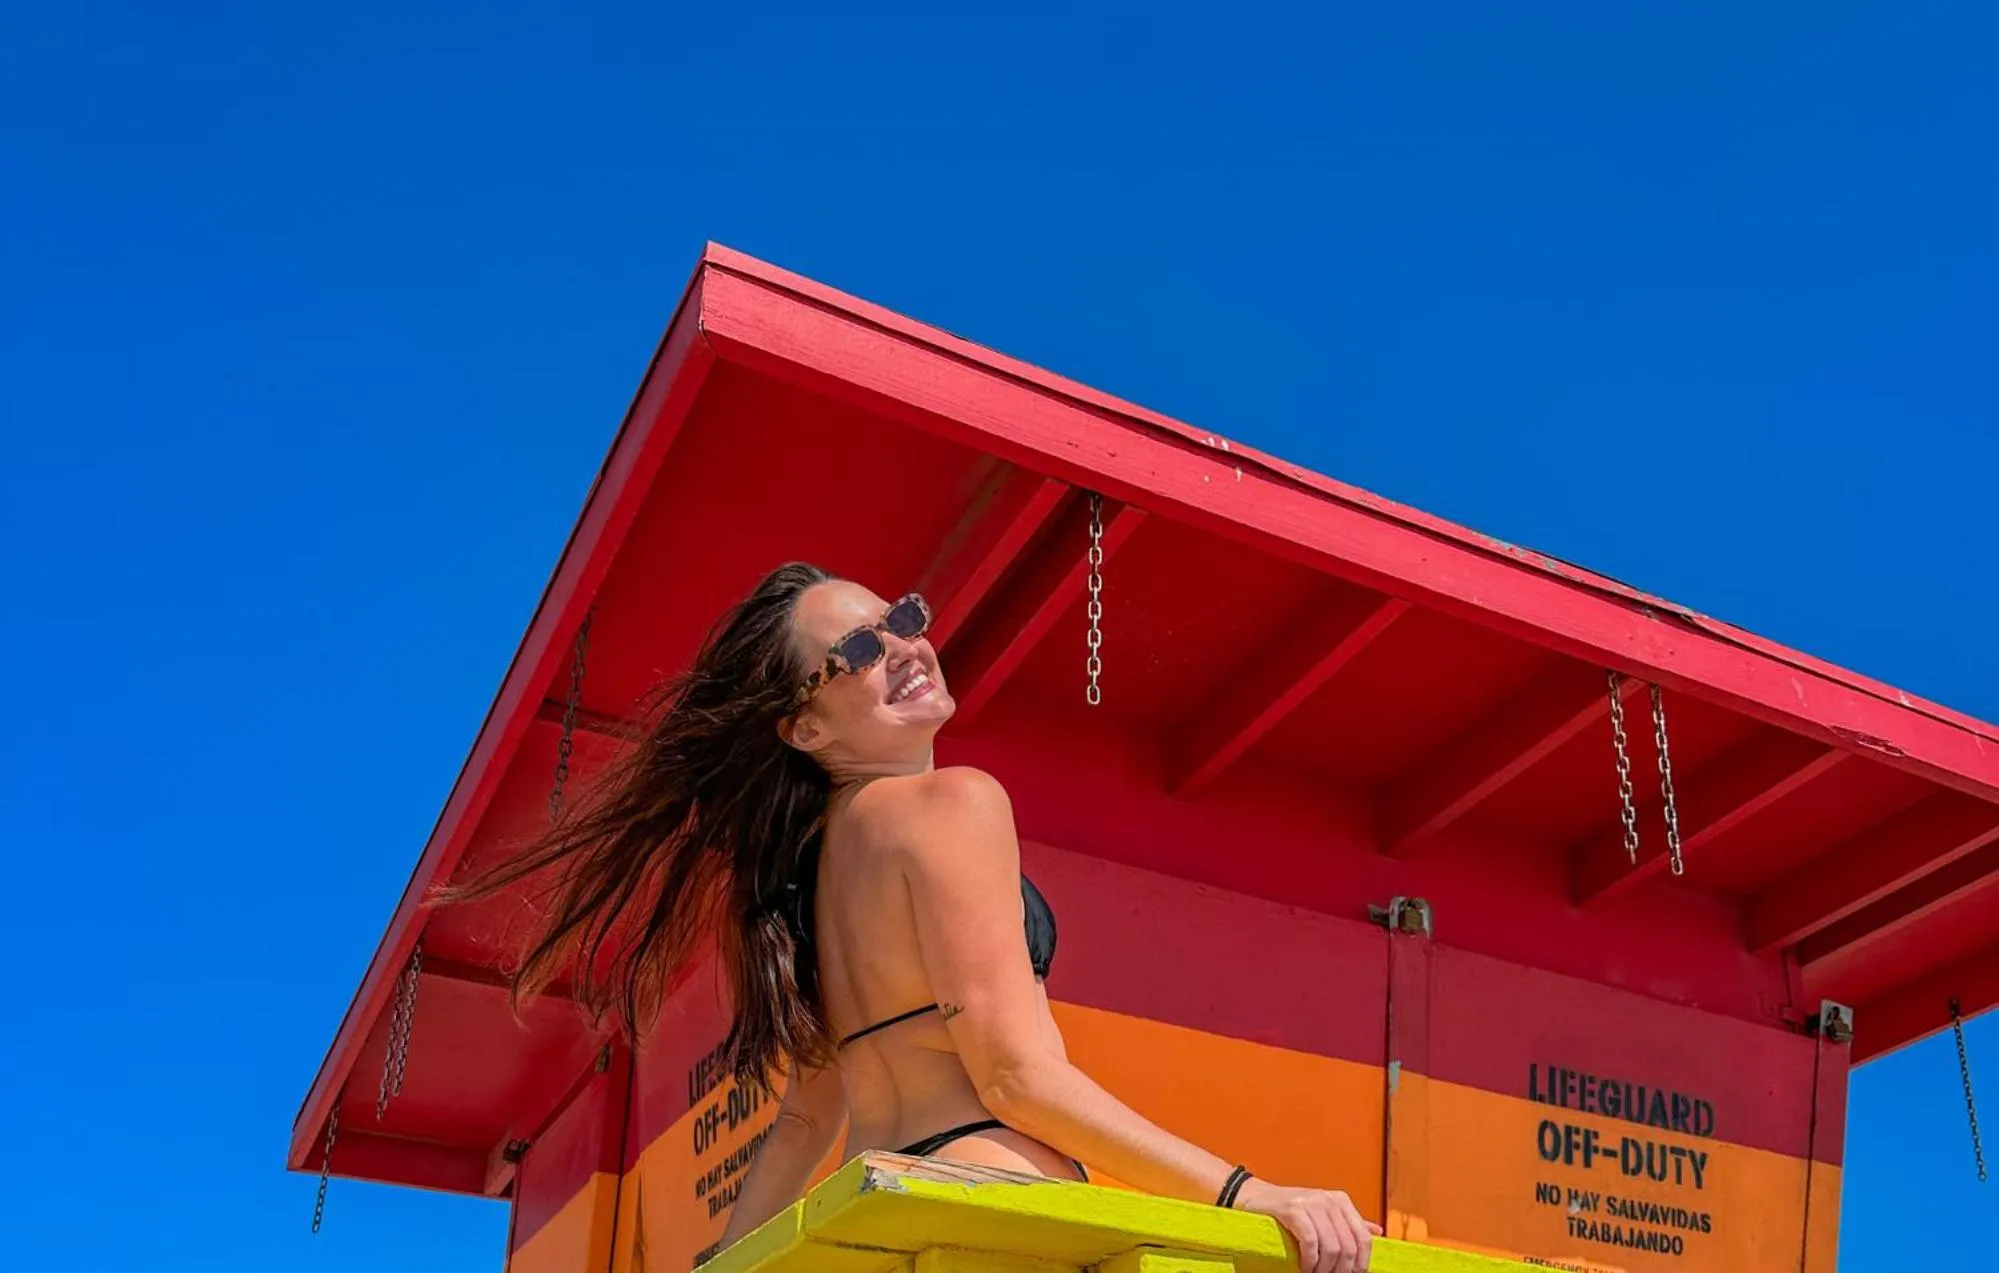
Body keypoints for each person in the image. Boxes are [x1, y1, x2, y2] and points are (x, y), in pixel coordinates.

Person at [444, 563, 1379, 1273]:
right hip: (993, 1206)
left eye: (898, 621)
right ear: (805, 728)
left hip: (878, 1217)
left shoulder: (798, 882)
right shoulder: (954, 802)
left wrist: (727, 1260)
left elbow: (807, 1115)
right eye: (855, 654)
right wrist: (1247, 1191)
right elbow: (1016, 1075)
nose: (899, 649)